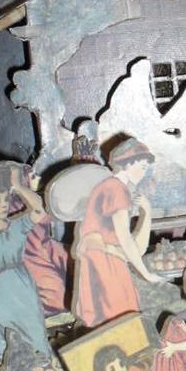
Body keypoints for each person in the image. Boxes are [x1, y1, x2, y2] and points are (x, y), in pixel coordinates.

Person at [0, 164, 59, 371]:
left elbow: (39, 210)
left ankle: (42, 363)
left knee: (32, 324)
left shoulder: (18, 226)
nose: (3, 205)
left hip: (20, 284)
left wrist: (18, 187)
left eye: (5, 200)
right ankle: (4, 364)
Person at [73, 137, 163, 328]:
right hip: (102, 257)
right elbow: (125, 239)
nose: (144, 172)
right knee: (119, 313)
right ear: (128, 164)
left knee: (119, 313)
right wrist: (145, 274)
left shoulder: (113, 186)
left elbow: (136, 248)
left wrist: (146, 213)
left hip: (104, 254)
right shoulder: (116, 190)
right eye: (142, 166)